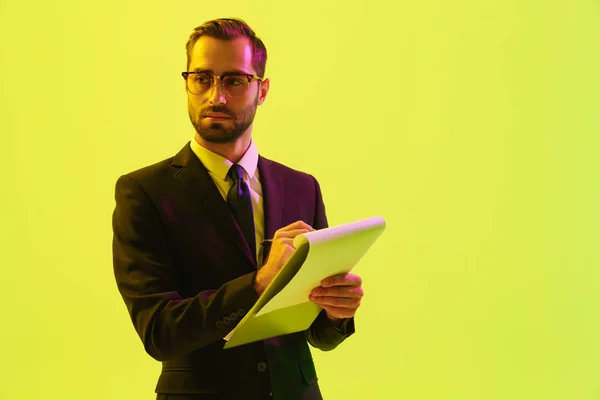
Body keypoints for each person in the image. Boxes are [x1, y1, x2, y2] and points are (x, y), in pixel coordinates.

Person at [112, 17, 364, 400]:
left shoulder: (302, 187)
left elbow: (316, 335)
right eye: (202, 78)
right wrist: (259, 281)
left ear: (261, 90)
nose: (216, 96)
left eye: (234, 80)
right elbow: (158, 331)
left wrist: (335, 312)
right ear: (187, 84)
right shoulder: (143, 192)